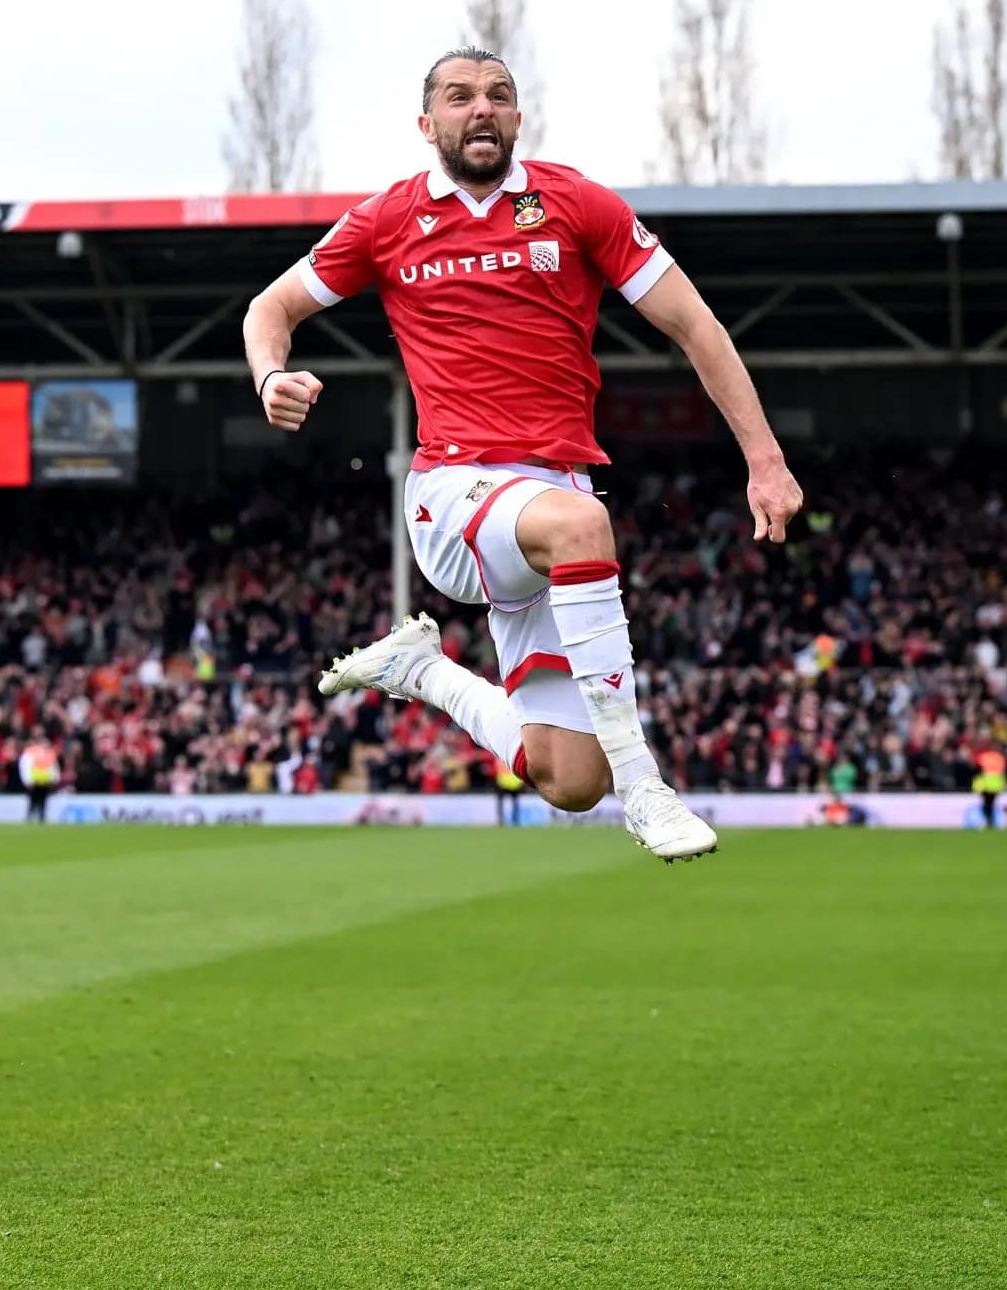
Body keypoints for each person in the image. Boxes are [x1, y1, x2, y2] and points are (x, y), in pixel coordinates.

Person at [243, 47, 804, 863]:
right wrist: (269, 374)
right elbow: (272, 306)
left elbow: (695, 325)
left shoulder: (574, 203)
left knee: (570, 778)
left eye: (499, 95)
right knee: (582, 525)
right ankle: (645, 784)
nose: (482, 108)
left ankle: (422, 670)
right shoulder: (387, 219)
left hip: (546, 505)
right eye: (460, 96)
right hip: (454, 492)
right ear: (426, 123)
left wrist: (765, 459)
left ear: (516, 116)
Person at [18, 731, 59, 822]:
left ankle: (41, 818)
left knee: (43, 802)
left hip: (45, 782)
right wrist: (27, 780)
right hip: (34, 782)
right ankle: (30, 818)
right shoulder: (31, 752)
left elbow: (53, 767)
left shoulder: (49, 753)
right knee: (33, 802)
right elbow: (25, 766)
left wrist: (54, 778)